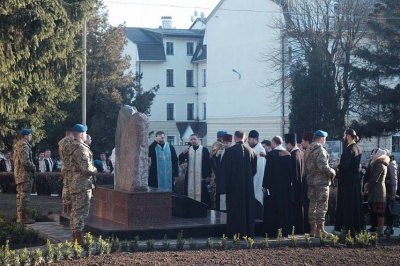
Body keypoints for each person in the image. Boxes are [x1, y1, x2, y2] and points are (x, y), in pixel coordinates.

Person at [218, 130, 257, 237]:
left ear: (235, 138)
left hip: (234, 187)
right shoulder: (251, 151)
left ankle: (235, 233)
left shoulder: (229, 152)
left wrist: (223, 188)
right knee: (247, 209)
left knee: (235, 210)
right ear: (244, 138)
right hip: (248, 187)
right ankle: (248, 232)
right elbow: (254, 170)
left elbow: (224, 171)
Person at [304, 130, 336, 238]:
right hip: (321, 182)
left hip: (311, 182)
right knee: (321, 206)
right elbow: (323, 167)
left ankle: (312, 229)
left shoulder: (307, 150)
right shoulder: (320, 150)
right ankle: (320, 230)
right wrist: (333, 172)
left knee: (312, 205)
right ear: (322, 139)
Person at [69, 124, 97, 244]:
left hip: (77, 183)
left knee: (76, 210)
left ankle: (76, 236)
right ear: (80, 134)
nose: (86, 135)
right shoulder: (80, 148)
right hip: (82, 184)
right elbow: (86, 168)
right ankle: (78, 238)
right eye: (85, 133)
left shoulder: (74, 146)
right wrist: (95, 169)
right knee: (81, 211)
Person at [334, 128, 364, 235]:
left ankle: (348, 226)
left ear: (348, 136)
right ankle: (357, 226)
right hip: (355, 180)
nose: (343, 137)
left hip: (347, 182)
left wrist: (337, 165)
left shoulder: (348, 149)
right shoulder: (358, 148)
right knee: (355, 204)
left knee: (348, 205)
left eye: (344, 135)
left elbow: (345, 166)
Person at [262, 136, 292, 237]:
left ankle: (273, 231)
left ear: (274, 143)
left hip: (273, 187)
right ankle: (284, 231)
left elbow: (268, 172)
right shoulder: (288, 154)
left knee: (273, 209)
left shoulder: (271, 155)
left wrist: (264, 186)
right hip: (285, 187)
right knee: (284, 209)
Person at [285, 133, 309, 234]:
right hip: (302, 186)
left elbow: (292, 175)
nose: (286, 147)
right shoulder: (301, 153)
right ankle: (302, 229)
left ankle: (296, 229)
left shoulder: (292, 156)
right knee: (302, 208)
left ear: (290, 144)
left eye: (286, 145)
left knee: (295, 209)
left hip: (295, 187)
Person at [179, 133, 212, 206]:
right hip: (190, 177)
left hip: (201, 176)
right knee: (189, 192)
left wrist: (208, 176)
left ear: (198, 139)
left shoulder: (204, 150)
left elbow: (208, 163)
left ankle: (202, 208)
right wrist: (183, 153)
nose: (193, 141)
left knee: (202, 193)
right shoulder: (188, 150)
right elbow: (180, 160)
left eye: (194, 139)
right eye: (191, 139)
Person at [13, 129, 36, 224]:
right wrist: (34, 167)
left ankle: (20, 215)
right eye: (30, 135)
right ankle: (22, 217)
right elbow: (25, 162)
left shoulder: (18, 145)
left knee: (20, 196)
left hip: (19, 175)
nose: (30, 137)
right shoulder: (24, 146)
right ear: (26, 136)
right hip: (24, 175)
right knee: (24, 196)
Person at [365, 148, 389, 236]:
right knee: (377, 210)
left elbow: (375, 179)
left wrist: (367, 185)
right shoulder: (379, 164)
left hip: (378, 191)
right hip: (376, 190)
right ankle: (379, 229)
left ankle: (380, 230)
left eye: (375, 153)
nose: (373, 155)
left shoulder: (380, 164)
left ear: (379, 155)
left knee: (379, 211)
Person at [247, 130, 266, 220]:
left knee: (257, 201)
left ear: (255, 139)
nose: (248, 141)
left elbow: (260, 170)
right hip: (251, 179)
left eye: (250, 139)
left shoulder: (260, 150)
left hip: (257, 180)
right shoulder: (252, 149)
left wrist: (255, 181)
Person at [58, 128, 74, 215]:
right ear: (69, 134)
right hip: (68, 168)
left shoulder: (62, 142)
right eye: (73, 135)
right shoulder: (67, 143)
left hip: (65, 167)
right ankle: (68, 208)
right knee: (68, 187)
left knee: (65, 187)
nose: (73, 137)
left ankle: (65, 206)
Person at [210, 130, 227, 210]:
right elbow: (216, 159)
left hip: (214, 172)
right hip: (218, 172)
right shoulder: (221, 145)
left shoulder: (214, 144)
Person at [385, 154, 398, 235]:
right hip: (388, 190)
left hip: (390, 191)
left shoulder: (391, 165)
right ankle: (389, 227)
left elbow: (394, 179)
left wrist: (393, 193)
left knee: (390, 210)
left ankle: (390, 227)